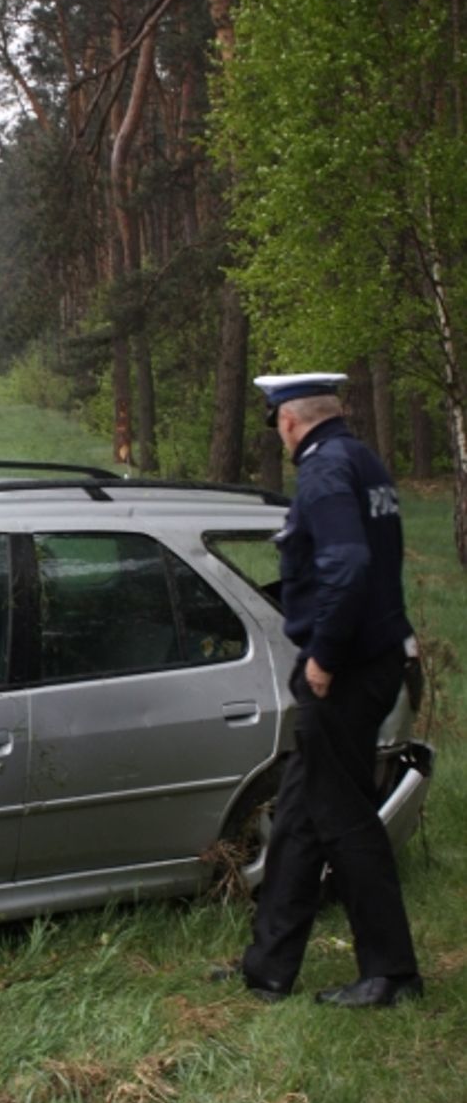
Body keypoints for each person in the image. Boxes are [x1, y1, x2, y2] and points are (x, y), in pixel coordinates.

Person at [225, 373, 423, 1008]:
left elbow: (347, 564)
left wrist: (324, 659)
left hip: (347, 668)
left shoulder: (324, 470)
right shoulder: (362, 460)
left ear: (288, 422)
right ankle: (268, 969)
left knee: (343, 819)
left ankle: (390, 974)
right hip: (373, 656)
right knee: (301, 816)